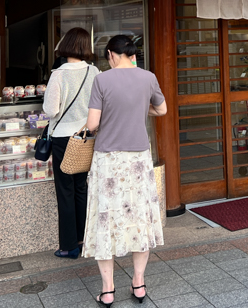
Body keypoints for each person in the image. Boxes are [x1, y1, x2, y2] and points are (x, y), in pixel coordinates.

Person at [83, 35, 167, 307]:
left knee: (105, 219)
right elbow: (162, 109)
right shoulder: (148, 77)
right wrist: (141, 110)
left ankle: (108, 290)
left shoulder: (102, 80)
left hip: (108, 160)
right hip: (139, 159)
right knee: (139, 218)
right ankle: (139, 284)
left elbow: (93, 124)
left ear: (110, 54)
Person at [43, 27, 100, 258]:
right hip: (86, 136)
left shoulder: (59, 74)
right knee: (81, 188)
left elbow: (50, 109)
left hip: (63, 139)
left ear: (65, 45)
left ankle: (69, 246)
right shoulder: (94, 71)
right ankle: (84, 238)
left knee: (65, 190)